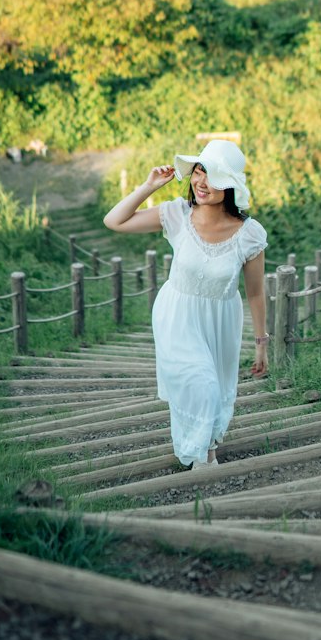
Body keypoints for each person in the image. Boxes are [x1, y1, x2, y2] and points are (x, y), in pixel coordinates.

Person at [103, 138, 269, 469]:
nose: (202, 182)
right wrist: (148, 186)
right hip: (177, 315)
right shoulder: (177, 214)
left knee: (216, 386)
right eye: (199, 171)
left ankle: (205, 451)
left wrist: (261, 343)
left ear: (231, 185)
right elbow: (114, 221)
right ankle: (200, 457)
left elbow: (255, 292)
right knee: (202, 384)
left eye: (214, 176)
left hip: (220, 320)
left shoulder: (250, 234)